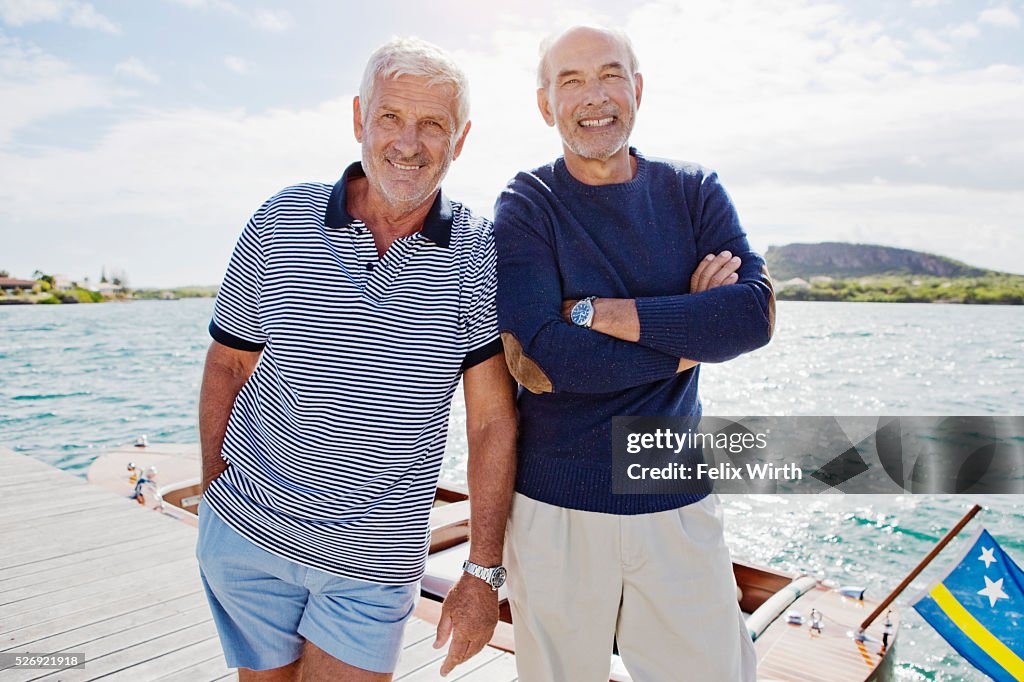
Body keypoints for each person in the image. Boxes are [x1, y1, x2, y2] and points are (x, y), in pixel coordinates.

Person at [196, 37, 516, 682]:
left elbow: (491, 423)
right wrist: (210, 495)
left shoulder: (482, 250)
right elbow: (228, 366)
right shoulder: (279, 215)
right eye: (391, 117)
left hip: (377, 561)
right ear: (358, 119)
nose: (408, 142)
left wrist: (482, 571)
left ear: (461, 139)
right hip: (245, 532)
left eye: (433, 124)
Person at [493, 25, 775, 682]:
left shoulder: (694, 190)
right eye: (571, 80)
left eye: (610, 74)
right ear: (545, 104)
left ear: (638, 88)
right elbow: (545, 360)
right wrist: (688, 335)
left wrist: (600, 314)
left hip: (671, 492)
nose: (595, 97)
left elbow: (751, 315)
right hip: (554, 504)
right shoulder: (528, 203)